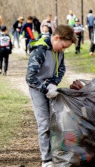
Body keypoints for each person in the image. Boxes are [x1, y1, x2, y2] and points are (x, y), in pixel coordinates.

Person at [26, 24, 77, 167]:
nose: (63, 50)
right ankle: (46, 160)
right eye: (63, 46)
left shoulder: (58, 51)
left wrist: (54, 82)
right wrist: (45, 89)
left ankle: (57, 154)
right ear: (56, 38)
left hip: (50, 88)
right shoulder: (40, 51)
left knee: (57, 123)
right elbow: (30, 77)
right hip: (38, 90)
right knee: (44, 125)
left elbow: (61, 68)